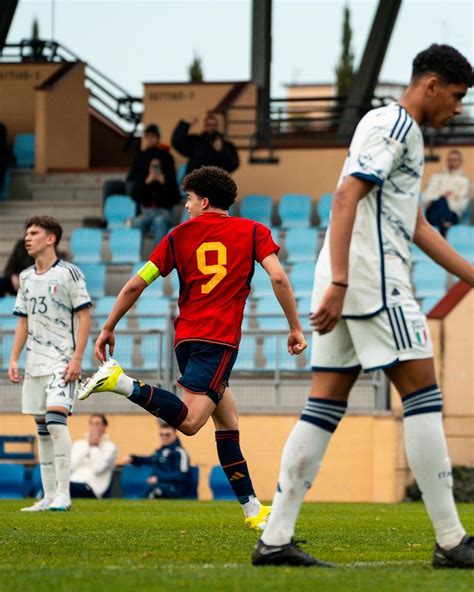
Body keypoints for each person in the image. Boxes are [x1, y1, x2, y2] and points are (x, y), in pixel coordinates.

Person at [252, 44, 474, 568]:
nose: (459, 109)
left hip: (349, 279)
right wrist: (344, 282)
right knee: (422, 392)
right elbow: (346, 196)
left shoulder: (397, 131)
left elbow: (416, 226)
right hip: (370, 280)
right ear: (431, 85)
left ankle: (276, 538)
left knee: (324, 404)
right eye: (458, 97)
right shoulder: (397, 125)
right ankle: (451, 540)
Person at [77, 165, 307, 530]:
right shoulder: (253, 232)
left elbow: (137, 284)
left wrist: (108, 326)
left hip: (186, 338)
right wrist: (295, 327)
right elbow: (278, 275)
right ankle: (122, 382)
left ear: (204, 200)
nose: (186, 206)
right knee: (189, 422)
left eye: (189, 199)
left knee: (228, 422)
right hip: (218, 340)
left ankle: (252, 510)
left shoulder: (177, 237)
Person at [8, 216, 92, 512]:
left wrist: (78, 357)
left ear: (50, 238)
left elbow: (84, 316)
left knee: (57, 423)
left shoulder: (69, 273)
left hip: (62, 361)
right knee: (42, 429)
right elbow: (23, 320)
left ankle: (64, 495)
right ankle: (48, 495)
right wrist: (14, 358)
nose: (27, 238)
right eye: (26, 232)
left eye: (34, 233)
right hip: (35, 364)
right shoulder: (27, 276)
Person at [127, 123, 181, 244]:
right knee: (135, 223)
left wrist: (163, 181)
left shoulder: (167, 158)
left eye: (153, 136)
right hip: (145, 210)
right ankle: (136, 258)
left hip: (164, 211)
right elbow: (135, 195)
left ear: (157, 137)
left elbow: (175, 197)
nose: (151, 139)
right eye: (148, 136)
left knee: (160, 221)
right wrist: (148, 181)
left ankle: (158, 261)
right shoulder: (141, 158)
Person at [125, 421, 190, 499]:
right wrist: (134, 459)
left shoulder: (180, 452)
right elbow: (149, 460)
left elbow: (181, 476)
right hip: (158, 485)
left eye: (167, 435)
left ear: (175, 434)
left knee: (153, 491)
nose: (163, 437)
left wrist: (159, 478)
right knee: (150, 489)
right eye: (161, 434)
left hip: (173, 488)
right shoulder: (160, 452)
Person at [423, 149, 472, 235]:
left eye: (455, 160)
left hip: (452, 213)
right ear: (447, 161)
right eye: (450, 159)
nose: (452, 162)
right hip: (433, 210)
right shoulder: (436, 177)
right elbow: (426, 196)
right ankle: (445, 225)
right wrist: (443, 196)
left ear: (461, 162)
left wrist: (445, 203)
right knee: (441, 201)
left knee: (442, 203)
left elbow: (462, 204)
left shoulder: (464, 180)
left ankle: (444, 222)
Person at [171, 113, 239, 175]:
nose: (211, 127)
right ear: (204, 126)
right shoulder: (195, 141)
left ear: (217, 126)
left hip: (216, 183)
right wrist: (185, 124)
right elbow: (177, 142)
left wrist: (222, 150)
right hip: (195, 182)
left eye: (214, 125)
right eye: (208, 125)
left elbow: (234, 164)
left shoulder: (226, 145)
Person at [70, 414, 117, 499]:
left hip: (93, 487)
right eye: (91, 424)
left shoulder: (110, 447)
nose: (94, 427)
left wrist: (94, 447)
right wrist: (87, 447)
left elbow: (98, 469)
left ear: (104, 427)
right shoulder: (79, 444)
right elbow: (71, 467)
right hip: (73, 482)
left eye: (97, 424)